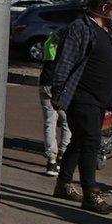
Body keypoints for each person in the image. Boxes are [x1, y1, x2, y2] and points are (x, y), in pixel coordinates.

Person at [50, 0, 112, 214]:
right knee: (91, 140)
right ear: (105, 7)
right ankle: (91, 194)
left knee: (80, 140)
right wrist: (57, 93)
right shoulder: (80, 28)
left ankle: (64, 184)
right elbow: (65, 63)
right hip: (80, 96)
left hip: (102, 99)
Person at [39, 30, 71, 176]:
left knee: (50, 122)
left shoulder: (51, 38)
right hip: (63, 85)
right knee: (66, 122)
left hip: (46, 82)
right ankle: (63, 154)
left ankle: (51, 160)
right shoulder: (71, 43)